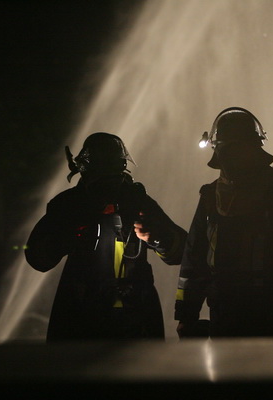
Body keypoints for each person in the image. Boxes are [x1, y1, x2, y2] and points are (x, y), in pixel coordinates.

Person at [25, 132, 187, 341]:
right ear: (87, 172)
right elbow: (35, 257)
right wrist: (67, 236)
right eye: (102, 178)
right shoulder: (68, 205)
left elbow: (184, 251)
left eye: (114, 176)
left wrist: (157, 237)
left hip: (135, 315)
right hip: (82, 316)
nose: (109, 189)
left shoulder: (138, 202)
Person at [175, 107, 273, 338]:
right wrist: (186, 314)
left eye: (239, 150)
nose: (235, 160)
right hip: (225, 313)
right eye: (230, 151)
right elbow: (194, 260)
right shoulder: (210, 198)